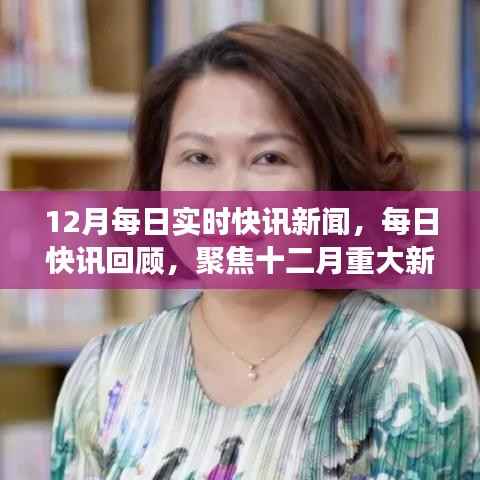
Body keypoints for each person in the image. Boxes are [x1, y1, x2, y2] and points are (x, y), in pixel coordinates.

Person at [51, 23, 480, 479]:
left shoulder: (404, 363)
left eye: (269, 158)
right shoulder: (106, 373)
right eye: (198, 158)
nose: (228, 198)